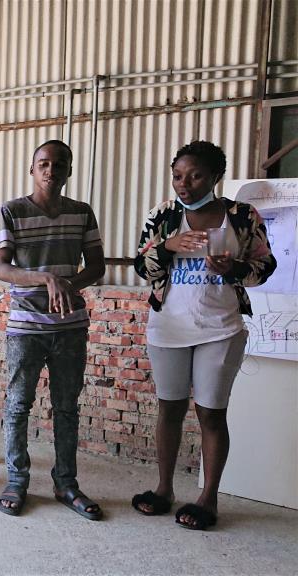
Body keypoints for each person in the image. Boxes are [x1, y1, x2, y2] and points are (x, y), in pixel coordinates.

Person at [131, 140, 276, 530]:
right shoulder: (162, 216)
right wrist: (168, 246)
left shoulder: (242, 216)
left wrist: (232, 268)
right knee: (170, 409)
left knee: (211, 413)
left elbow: (265, 267)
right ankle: (163, 490)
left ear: (214, 176)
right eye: (178, 176)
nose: (184, 184)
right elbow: (141, 268)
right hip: (168, 328)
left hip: (220, 328)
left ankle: (208, 499)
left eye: (195, 176)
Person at [0, 140, 106, 520]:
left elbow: (97, 266)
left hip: (70, 326)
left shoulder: (82, 213)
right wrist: (47, 278)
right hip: (26, 327)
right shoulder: (12, 211)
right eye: (43, 163)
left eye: (59, 164)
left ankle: (66, 484)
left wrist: (69, 284)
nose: (50, 170)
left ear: (69, 171)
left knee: (67, 407)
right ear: (32, 168)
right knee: (18, 405)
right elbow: (0, 269)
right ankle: (16, 481)